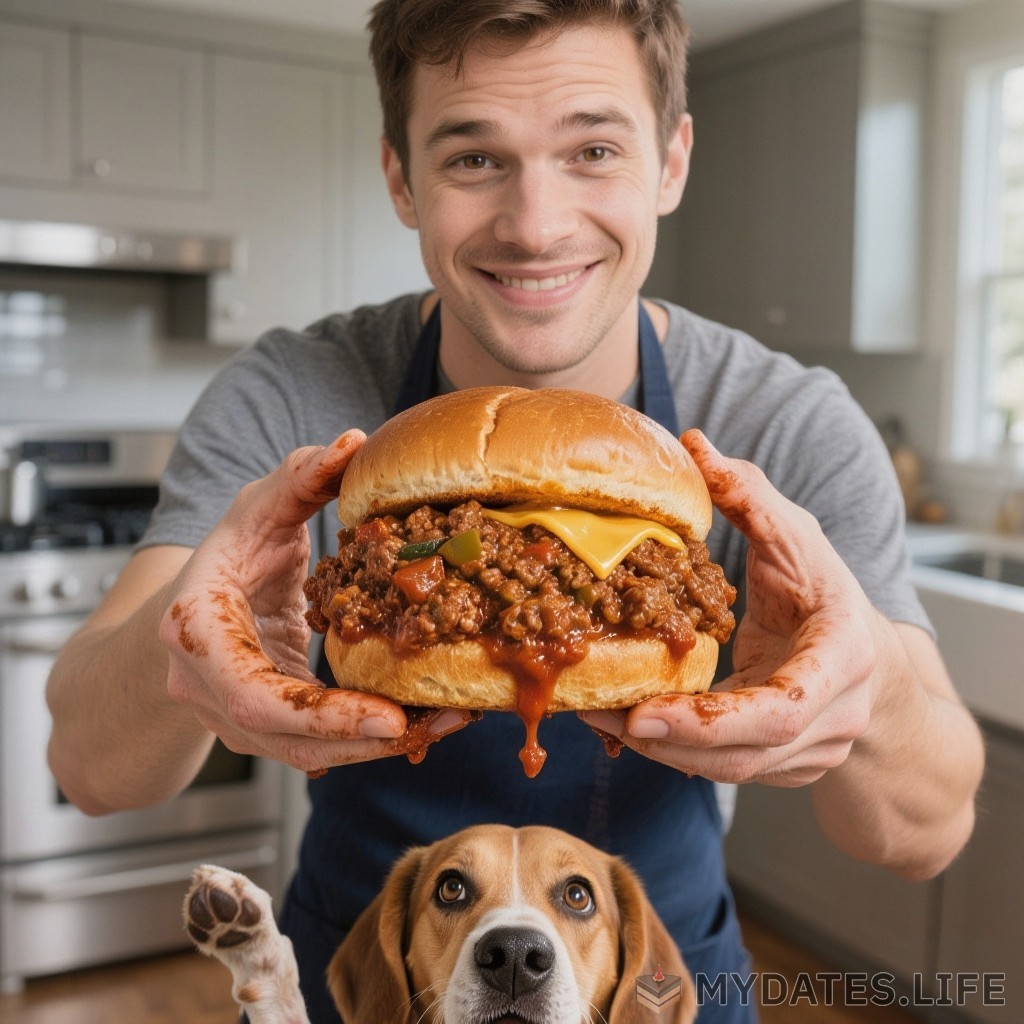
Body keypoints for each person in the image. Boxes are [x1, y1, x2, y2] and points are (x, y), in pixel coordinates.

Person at [46, 1, 984, 1021]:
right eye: (473, 159)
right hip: (368, 978)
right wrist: (195, 633)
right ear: (401, 179)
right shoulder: (290, 396)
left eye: (593, 149)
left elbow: (925, 832)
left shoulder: (789, 423)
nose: (536, 226)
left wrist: (862, 677)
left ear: (670, 161)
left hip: (656, 982)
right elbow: (89, 769)